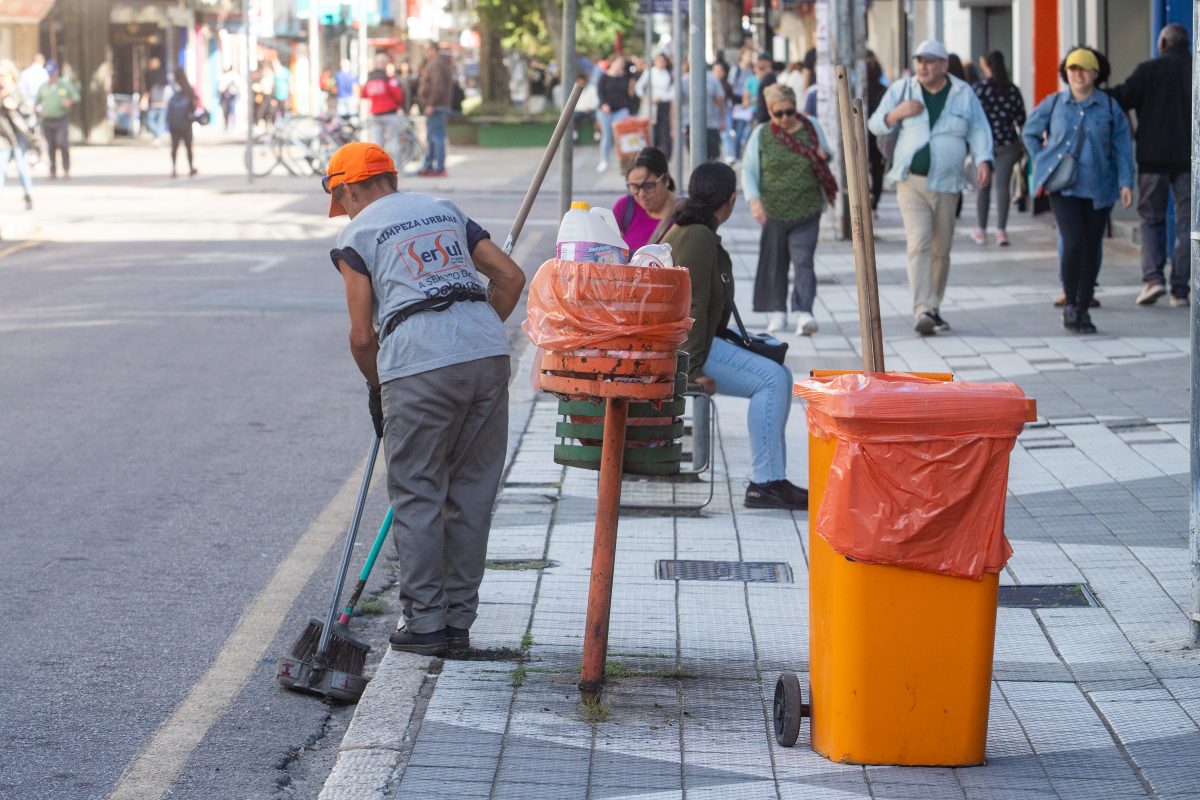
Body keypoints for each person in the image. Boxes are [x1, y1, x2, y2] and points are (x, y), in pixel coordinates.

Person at [324, 142, 525, 655]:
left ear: (348, 190)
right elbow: (510, 277)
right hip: (486, 357)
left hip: (416, 366)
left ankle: (426, 625)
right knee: (472, 493)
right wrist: (471, 334)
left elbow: (362, 336)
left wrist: (379, 387)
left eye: (340, 199)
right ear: (389, 178)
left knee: (418, 494)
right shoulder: (443, 210)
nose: (342, 211)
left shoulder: (358, 233)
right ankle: (459, 624)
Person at [661, 162, 809, 511]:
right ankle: (765, 483)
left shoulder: (692, 229)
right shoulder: (696, 235)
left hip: (690, 343)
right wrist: (692, 369)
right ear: (729, 200)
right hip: (684, 348)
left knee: (781, 375)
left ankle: (772, 477)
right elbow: (694, 304)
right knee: (772, 379)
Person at [867, 39, 994, 336]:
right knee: (920, 241)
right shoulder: (903, 89)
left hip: (948, 183)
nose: (923, 66)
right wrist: (897, 113)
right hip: (910, 180)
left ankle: (933, 306)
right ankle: (922, 308)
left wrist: (983, 159)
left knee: (942, 249)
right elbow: (874, 123)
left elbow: (979, 129)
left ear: (944, 65)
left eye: (930, 60)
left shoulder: (963, 94)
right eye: (919, 60)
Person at [1023, 47, 1133, 334]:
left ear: (1095, 74)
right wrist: (1042, 158)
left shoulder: (1109, 107)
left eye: (1084, 69)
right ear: (1066, 73)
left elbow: (1122, 148)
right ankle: (1071, 304)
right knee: (1073, 242)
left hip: (1100, 188)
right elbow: (1029, 131)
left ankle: (1084, 308)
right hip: (1064, 187)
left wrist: (1126, 183)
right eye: (1073, 69)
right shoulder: (1055, 103)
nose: (1078, 74)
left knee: (1092, 246)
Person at [742, 84, 837, 337]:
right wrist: (754, 201)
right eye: (778, 113)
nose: (785, 118)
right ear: (770, 113)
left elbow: (828, 153)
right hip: (773, 211)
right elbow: (749, 169)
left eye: (789, 111)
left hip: (807, 208)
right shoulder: (761, 135)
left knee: (803, 260)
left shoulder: (811, 127)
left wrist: (824, 155)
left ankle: (805, 311)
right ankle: (778, 312)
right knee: (776, 263)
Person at [1109, 23, 1192, 308]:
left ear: (1163, 45)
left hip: (1152, 160)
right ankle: (1181, 289)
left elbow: (1118, 97)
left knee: (1151, 219)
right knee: (1188, 225)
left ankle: (1153, 279)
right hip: (1189, 161)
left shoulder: (1147, 71)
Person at [972, 50, 1025, 246]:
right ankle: (1001, 231)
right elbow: (1021, 119)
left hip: (983, 145)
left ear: (985, 64)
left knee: (982, 186)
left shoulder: (979, 89)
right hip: (1008, 144)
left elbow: (972, 118)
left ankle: (981, 230)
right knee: (1003, 186)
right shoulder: (1012, 89)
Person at [613, 147, 678, 251]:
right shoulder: (624, 207)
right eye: (634, 187)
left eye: (649, 186)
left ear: (665, 180)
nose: (642, 194)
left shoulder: (682, 215)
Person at [0, 60, 35, 210]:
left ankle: (28, 195)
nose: (1, 78)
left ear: (10, 74)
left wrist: (16, 106)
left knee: (21, 166)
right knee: (0, 168)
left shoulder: (18, 90)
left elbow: (28, 108)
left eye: (2, 74)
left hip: (19, 134)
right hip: (3, 135)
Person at [416, 41, 455, 177]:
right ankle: (430, 165)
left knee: (436, 138)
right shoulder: (439, 63)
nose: (425, 54)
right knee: (432, 138)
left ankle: (439, 167)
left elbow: (438, 86)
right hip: (436, 106)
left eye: (426, 50)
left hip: (436, 107)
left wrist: (431, 104)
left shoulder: (437, 64)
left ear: (433, 50)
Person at [34, 61, 78, 180]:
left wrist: (69, 102)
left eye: (52, 73)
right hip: (47, 120)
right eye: (49, 74)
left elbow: (76, 97)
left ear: (57, 72)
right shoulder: (43, 87)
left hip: (61, 119)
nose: (51, 76)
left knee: (62, 143)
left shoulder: (64, 85)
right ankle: (52, 170)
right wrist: (38, 110)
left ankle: (66, 169)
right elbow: (36, 102)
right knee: (51, 146)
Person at [363, 53, 406, 166]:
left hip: (375, 114)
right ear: (385, 64)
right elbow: (399, 96)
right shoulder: (388, 80)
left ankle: (378, 168)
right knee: (393, 141)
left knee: (377, 144)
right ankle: (394, 166)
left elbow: (363, 94)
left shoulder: (370, 80)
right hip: (390, 113)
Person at [596, 56, 632, 173]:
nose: (620, 65)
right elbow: (600, 92)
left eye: (622, 63)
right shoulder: (604, 77)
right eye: (618, 62)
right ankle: (604, 160)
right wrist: (604, 104)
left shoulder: (626, 76)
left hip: (622, 109)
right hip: (606, 110)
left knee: (622, 136)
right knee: (607, 136)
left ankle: (624, 161)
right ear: (612, 63)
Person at [636, 53, 673, 157]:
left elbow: (672, 91)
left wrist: (663, 97)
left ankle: (665, 154)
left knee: (664, 130)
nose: (661, 63)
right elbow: (639, 87)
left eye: (663, 61)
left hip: (664, 104)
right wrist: (644, 97)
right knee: (652, 130)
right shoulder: (650, 72)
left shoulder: (669, 74)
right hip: (651, 105)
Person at [864, 54, 887, 211]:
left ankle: (868, 200)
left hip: (865, 134)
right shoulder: (884, 91)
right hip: (879, 136)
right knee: (877, 171)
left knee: (862, 168)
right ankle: (875, 200)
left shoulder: (859, 91)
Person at [165, 72, 198, 178]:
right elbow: (194, 104)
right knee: (188, 147)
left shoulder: (172, 88)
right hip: (186, 123)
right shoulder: (188, 88)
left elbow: (167, 104)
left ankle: (174, 169)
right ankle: (191, 167)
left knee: (174, 147)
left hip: (174, 124)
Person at [729, 49, 755, 159]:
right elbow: (731, 86)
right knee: (739, 130)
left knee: (750, 131)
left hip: (752, 103)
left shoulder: (752, 70)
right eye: (748, 55)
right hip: (739, 104)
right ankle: (737, 155)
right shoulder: (736, 69)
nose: (749, 58)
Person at [144, 57, 169, 143]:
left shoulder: (149, 75)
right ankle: (159, 136)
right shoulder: (163, 74)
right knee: (160, 122)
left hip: (154, 101)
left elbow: (147, 89)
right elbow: (167, 87)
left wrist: (144, 98)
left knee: (149, 120)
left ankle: (158, 136)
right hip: (162, 101)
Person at [751, 53, 777, 124]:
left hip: (766, 116)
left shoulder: (769, 78)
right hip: (762, 114)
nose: (759, 63)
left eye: (761, 61)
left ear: (767, 62)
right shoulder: (763, 77)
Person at [218, 66, 241, 130]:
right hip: (228, 96)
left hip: (230, 96)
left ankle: (230, 124)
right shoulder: (232, 76)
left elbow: (220, 88)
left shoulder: (227, 76)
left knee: (229, 110)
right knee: (231, 110)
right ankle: (231, 124)